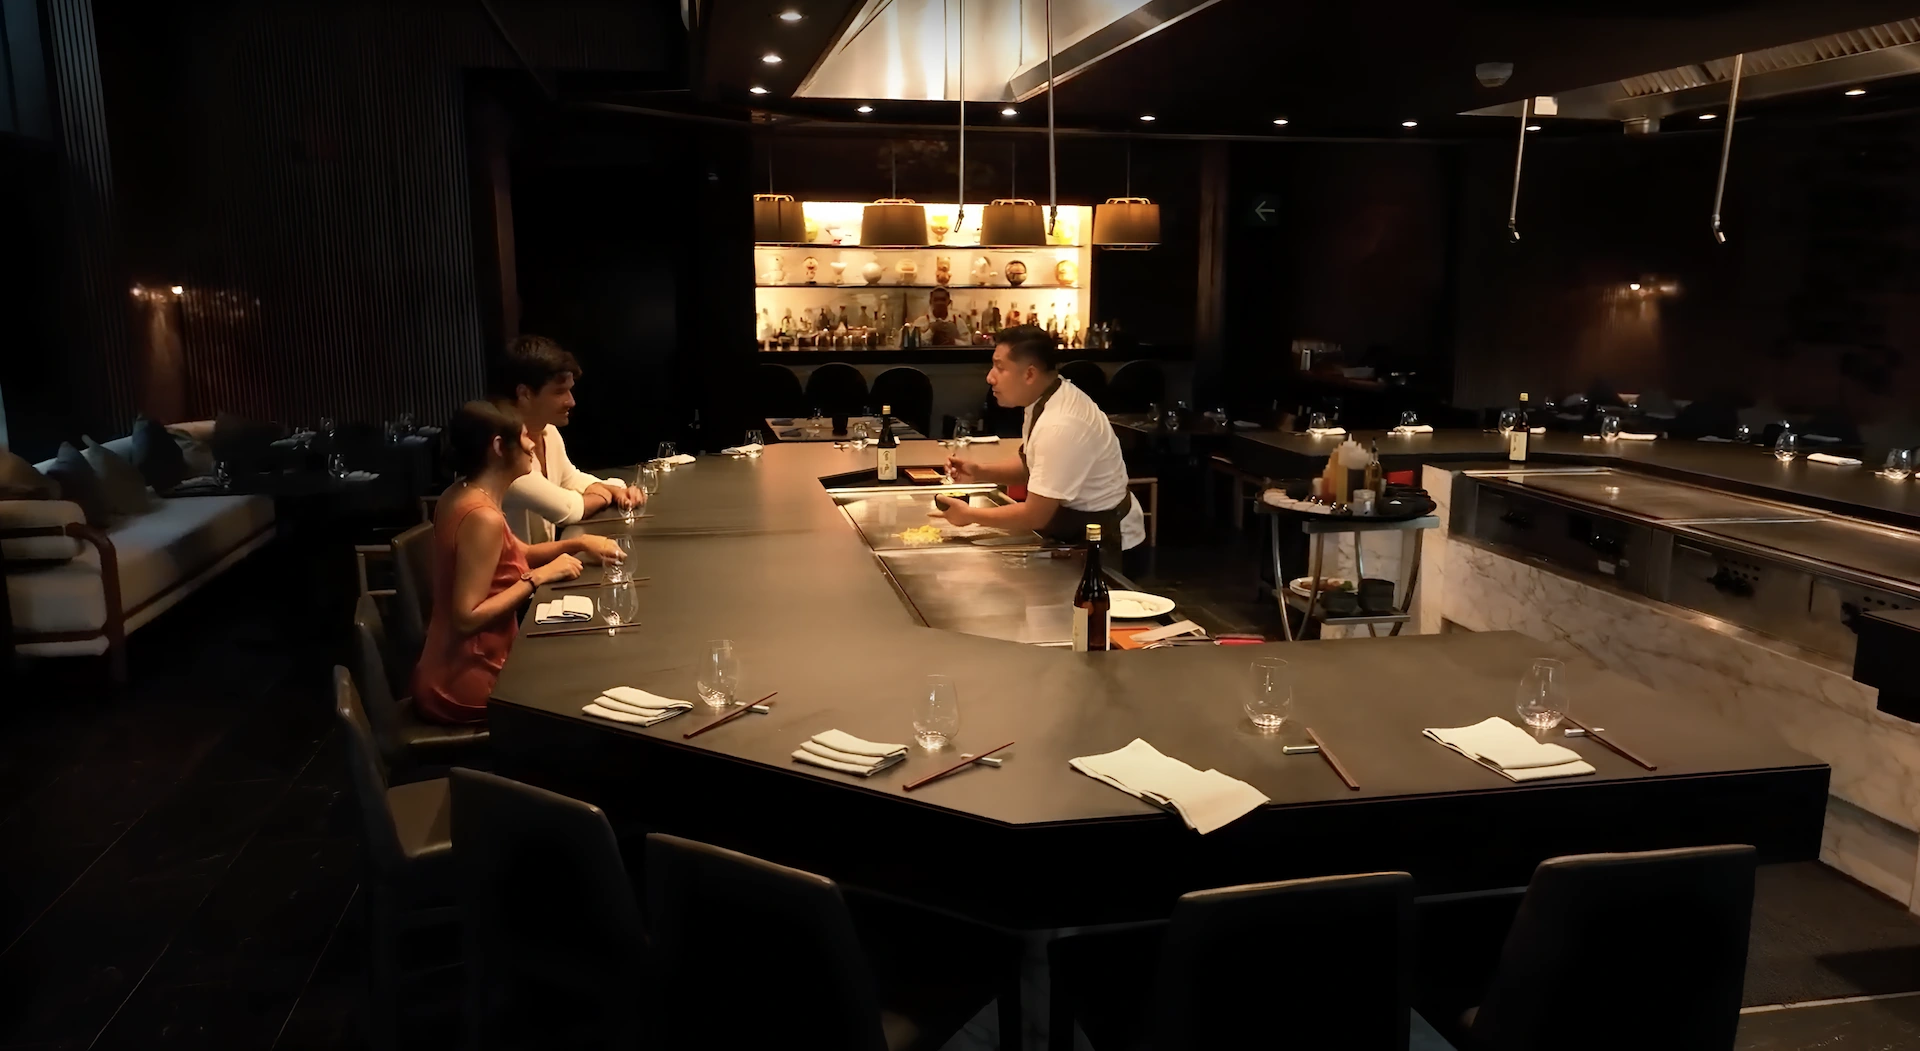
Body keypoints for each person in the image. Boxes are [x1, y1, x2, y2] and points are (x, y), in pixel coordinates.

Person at [412, 401, 625, 725]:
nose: (531, 446)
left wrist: (578, 544)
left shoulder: (461, 493)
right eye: (525, 437)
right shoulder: (482, 516)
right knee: (585, 689)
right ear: (499, 447)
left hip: (445, 665)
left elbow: (513, 553)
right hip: (465, 681)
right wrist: (536, 579)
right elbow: (465, 618)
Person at [933, 325, 1144, 557]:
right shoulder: (1046, 396)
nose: (990, 377)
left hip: (1108, 542)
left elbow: (1035, 515)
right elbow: (1033, 464)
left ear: (1030, 374)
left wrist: (969, 515)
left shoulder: (1060, 424)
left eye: (1000, 367)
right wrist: (979, 471)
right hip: (1075, 531)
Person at [490, 335, 645, 544]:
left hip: (538, 568)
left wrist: (616, 489)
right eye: (559, 392)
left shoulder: (547, 431)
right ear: (524, 394)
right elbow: (567, 510)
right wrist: (605, 495)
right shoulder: (503, 449)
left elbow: (570, 479)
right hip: (516, 574)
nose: (571, 401)